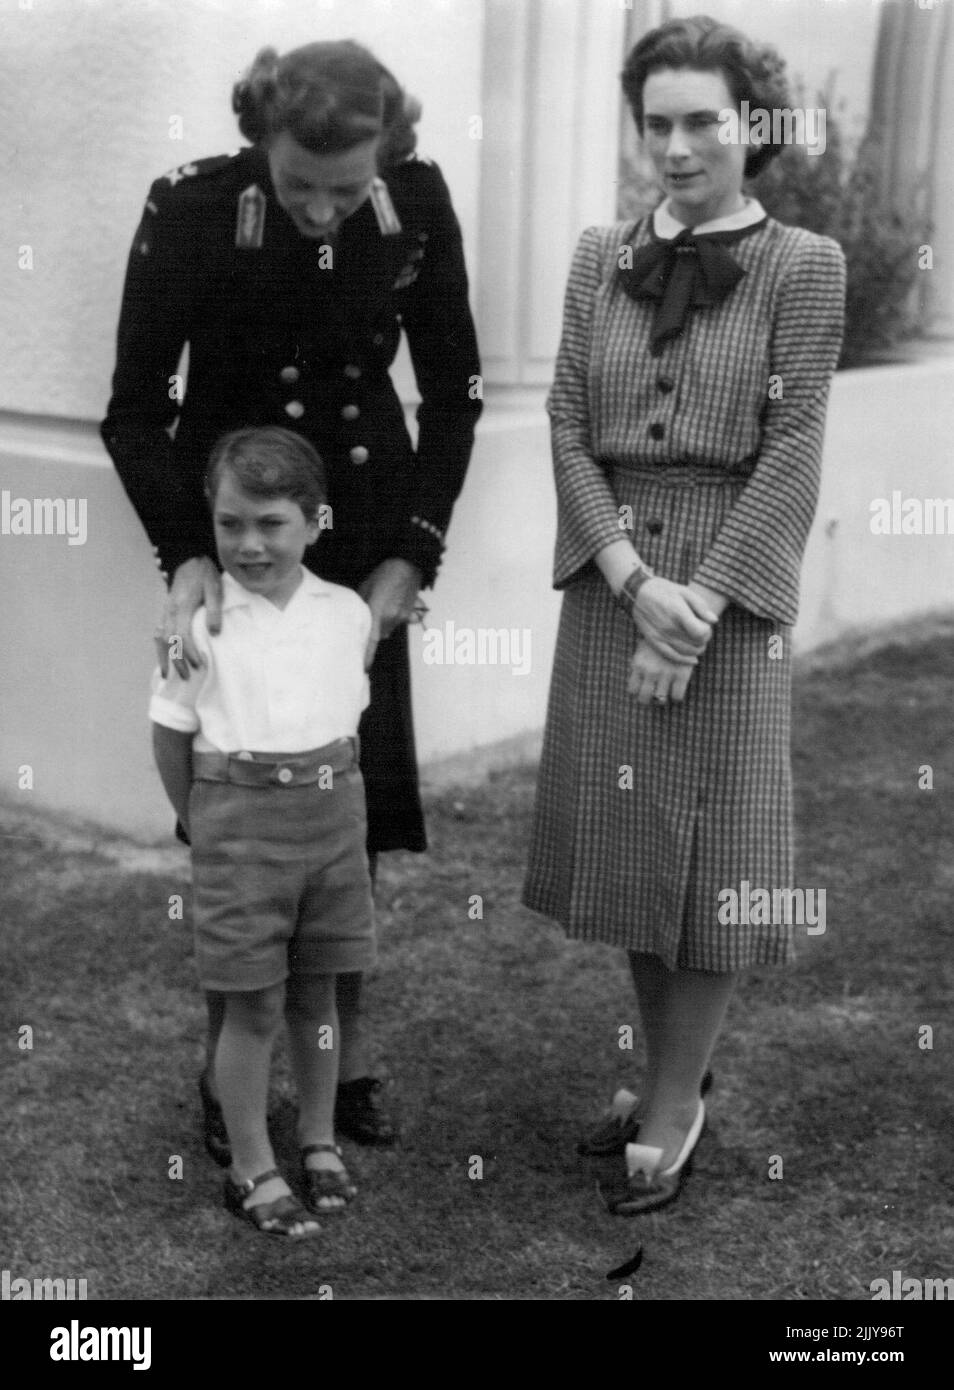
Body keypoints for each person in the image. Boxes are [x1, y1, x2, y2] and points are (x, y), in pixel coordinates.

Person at [101, 40, 482, 1160]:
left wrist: (413, 551)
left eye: (345, 188)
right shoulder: (191, 208)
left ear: (387, 153)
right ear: (260, 141)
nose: (321, 211)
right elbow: (132, 407)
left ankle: (343, 1065)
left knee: (342, 814)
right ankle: (232, 1073)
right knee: (234, 815)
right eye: (298, 185)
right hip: (237, 540)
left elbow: (457, 392)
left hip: (359, 543)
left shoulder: (416, 200)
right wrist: (186, 554)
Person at [522, 14, 846, 1214]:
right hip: (619, 592)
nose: (676, 146)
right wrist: (627, 578)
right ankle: (667, 1071)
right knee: (629, 839)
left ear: (752, 124)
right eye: (656, 122)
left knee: (709, 852)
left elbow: (795, 443)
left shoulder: (804, 264)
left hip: (724, 601)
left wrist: (698, 602)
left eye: (702, 120)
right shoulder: (595, 254)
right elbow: (564, 420)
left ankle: (673, 1102)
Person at [151, 426, 375, 1236]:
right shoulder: (197, 625)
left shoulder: (346, 613)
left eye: (271, 523)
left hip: (332, 823)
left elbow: (346, 725)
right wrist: (202, 824)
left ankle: (317, 1139)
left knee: (320, 992)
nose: (248, 545)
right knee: (249, 1006)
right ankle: (251, 1166)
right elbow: (170, 738)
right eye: (230, 524)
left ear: (314, 522)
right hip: (238, 832)